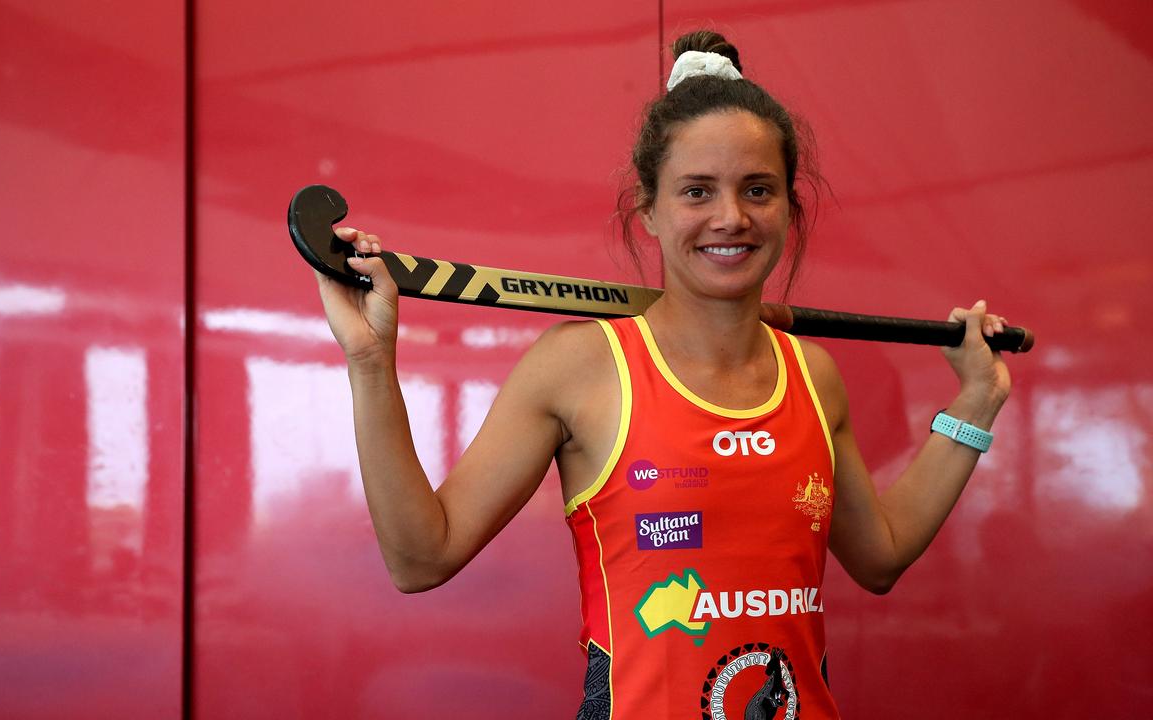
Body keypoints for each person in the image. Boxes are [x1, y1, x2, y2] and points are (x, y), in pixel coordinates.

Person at [315, 29, 1011, 720]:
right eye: (697, 191)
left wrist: (975, 403)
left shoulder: (813, 375)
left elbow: (880, 556)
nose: (730, 217)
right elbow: (421, 557)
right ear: (648, 209)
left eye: (758, 190)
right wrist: (372, 363)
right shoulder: (580, 367)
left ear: (789, 210)